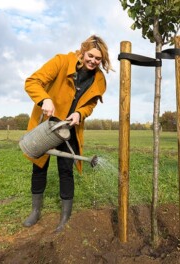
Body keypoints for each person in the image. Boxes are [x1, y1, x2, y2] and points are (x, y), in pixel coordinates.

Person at [22, 35, 112, 232]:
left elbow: (91, 104)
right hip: (47, 125)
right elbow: (32, 82)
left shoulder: (99, 80)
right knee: (39, 167)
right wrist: (44, 99)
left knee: (65, 169)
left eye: (98, 59)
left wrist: (80, 113)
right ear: (82, 51)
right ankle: (35, 211)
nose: (93, 61)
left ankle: (64, 217)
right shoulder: (61, 61)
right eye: (90, 56)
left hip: (69, 129)